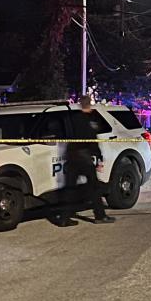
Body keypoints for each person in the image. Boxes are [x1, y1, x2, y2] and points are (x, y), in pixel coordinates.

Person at [53, 96, 115, 226]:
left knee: (69, 188)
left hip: (71, 155)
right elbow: (92, 140)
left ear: (80, 104)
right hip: (84, 157)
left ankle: (64, 218)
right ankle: (100, 215)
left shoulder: (74, 118)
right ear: (90, 104)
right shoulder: (90, 120)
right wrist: (99, 158)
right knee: (94, 187)